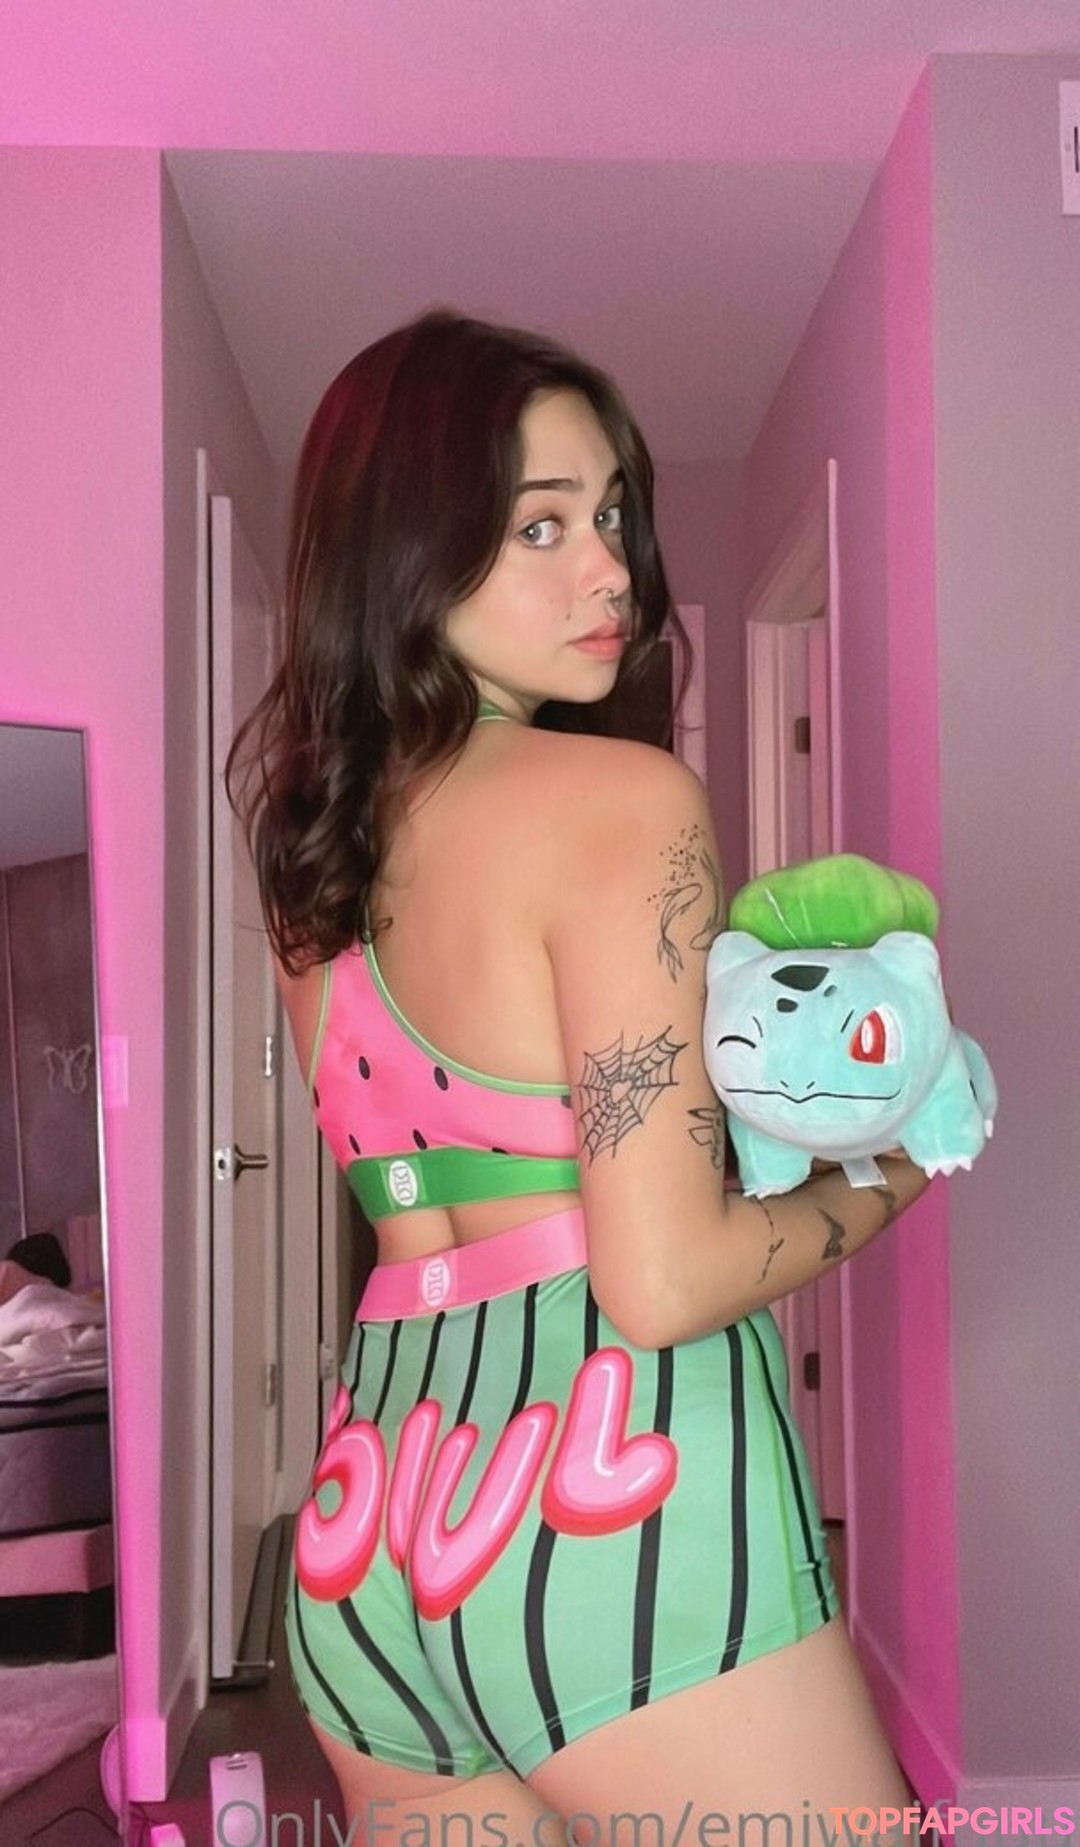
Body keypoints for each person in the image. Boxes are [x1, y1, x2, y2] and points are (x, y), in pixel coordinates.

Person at [229, 310, 930, 1843]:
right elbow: (661, 1278)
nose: (609, 571)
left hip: (373, 1538)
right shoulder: (622, 804)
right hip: (614, 1505)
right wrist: (889, 1171)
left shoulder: (312, 868)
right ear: (406, 551)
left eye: (611, 516)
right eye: (541, 526)